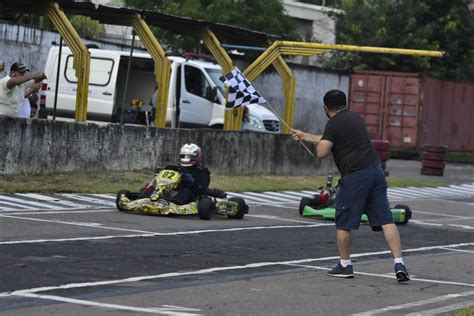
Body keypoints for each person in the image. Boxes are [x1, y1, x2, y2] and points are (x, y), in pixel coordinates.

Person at [291, 89, 410, 282]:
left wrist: (313, 145)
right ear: (344, 103)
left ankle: (345, 266)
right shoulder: (356, 118)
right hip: (376, 172)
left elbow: (322, 152)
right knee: (386, 219)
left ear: (325, 108)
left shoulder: (333, 123)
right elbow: (333, 138)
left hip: (356, 176)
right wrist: (305, 136)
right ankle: (399, 264)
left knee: (344, 221)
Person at [141, 143, 211, 205]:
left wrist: (191, 182)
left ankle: (170, 203)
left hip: (190, 196)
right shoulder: (175, 168)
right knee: (150, 187)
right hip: (171, 191)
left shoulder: (202, 171)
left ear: (197, 157)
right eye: (184, 156)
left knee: (186, 191)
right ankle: (142, 198)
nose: (186, 159)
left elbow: (202, 190)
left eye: (189, 157)